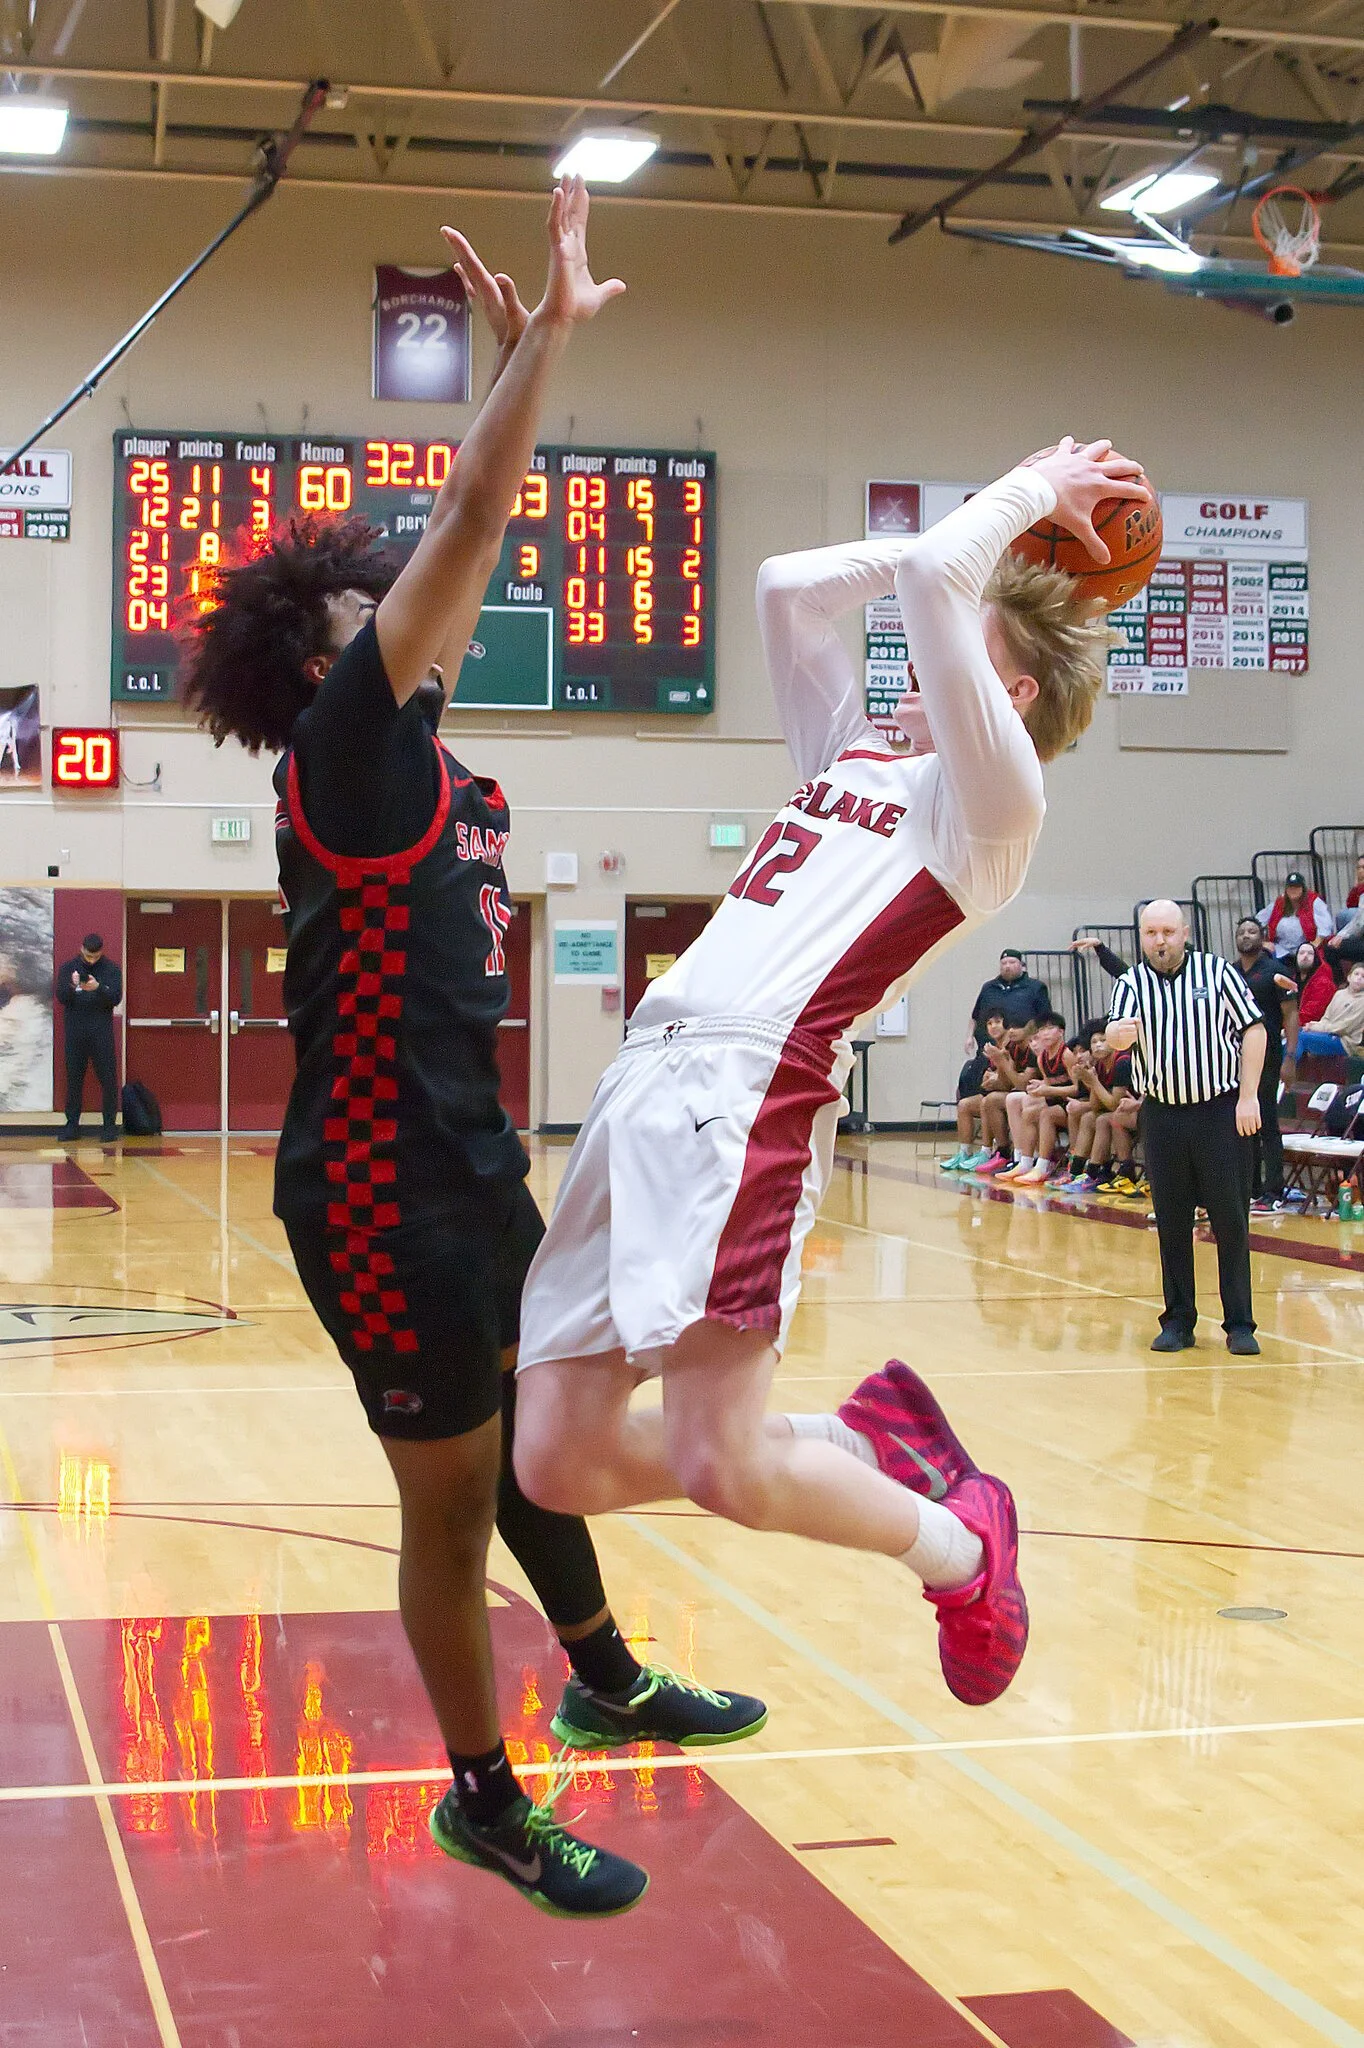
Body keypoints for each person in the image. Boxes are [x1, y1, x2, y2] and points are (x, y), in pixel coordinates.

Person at [184, 181, 763, 1922]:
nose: (414, 596)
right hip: (377, 1199)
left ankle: (598, 1667)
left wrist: (519, 363)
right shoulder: (346, 754)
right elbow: (474, 511)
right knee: (448, 1513)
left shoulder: (433, 764)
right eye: (373, 597)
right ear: (323, 648)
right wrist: (545, 354)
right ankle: (485, 1800)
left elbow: (475, 536)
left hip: (465, 1172)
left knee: (538, 1446)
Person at [512, 436, 1151, 1718]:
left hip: (752, 1086)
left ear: (1006, 696)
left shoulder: (989, 808)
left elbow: (925, 573)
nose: (915, 664)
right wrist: (994, 554)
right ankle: (873, 1445)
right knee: (556, 1459)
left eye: (953, 650)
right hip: (646, 1073)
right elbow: (783, 588)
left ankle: (965, 1550)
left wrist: (1022, 498)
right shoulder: (852, 761)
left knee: (720, 1464)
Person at [1106, 901, 1265, 1356]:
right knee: (1171, 1222)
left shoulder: (1216, 973)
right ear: (1141, 936)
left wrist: (1248, 1096)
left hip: (1218, 1111)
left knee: (1230, 1221)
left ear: (1184, 932)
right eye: (1151, 932)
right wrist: (1118, 1037)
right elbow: (1118, 1032)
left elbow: (1254, 1029)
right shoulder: (1130, 983)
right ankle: (1178, 1321)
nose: (1160, 941)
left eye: (1168, 932)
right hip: (1162, 1114)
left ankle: (1239, 1324)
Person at [1233, 914, 1298, 1214]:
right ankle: (1252, 1188)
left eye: (1252, 931)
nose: (1246, 936)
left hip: (1269, 1056)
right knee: (1244, 1125)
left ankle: (1275, 1191)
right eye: (1242, 932)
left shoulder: (1275, 971)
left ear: (1262, 937)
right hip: (1236, 1059)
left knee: (1267, 1123)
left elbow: (1292, 1016)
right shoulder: (1230, 973)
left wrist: (1291, 1056)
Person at [1051, 1023, 1134, 1191]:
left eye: (1103, 1040)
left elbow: (1113, 1104)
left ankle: (1094, 1173)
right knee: (1089, 1117)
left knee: (1103, 1119)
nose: (1098, 1045)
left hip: (1136, 1111)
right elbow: (1096, 1106)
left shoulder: (1122, 1062)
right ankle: (1076, 1171)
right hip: (1120, 1112)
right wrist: (1090, 1080)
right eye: (1094, 1042)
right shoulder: (1100, 1065)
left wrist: (1094, 1082)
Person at [995, 1010, 1075, 1184]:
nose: (1045, 1033)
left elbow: (1078, 1089)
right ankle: (1025, 1162)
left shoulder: (1067, 1055)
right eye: (1042, 1029)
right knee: (1030, 1112)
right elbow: (1049, 1087)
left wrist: (1048, 1090)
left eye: (1050, 1028)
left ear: (1061, 1032)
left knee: (1046, 1114)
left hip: (1073, 1104)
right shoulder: (1042, 1058)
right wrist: (1041, 1088)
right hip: (1057, 1102)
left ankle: (1043, 1166)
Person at [55, 932, 121, 1141]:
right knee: (74, 1080)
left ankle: (109, 1126)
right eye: (88, 955)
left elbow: (115, 998)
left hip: (101, 1033)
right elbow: (61, 997)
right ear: (81, 948)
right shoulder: (68, 968)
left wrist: (98, 988)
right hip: (75, 1033)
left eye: (96, 956)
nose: (91, 960)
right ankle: (72, 1125)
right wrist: (73, 986)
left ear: (101, 952)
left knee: (108, 1080)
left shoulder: (111, 969)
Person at [941, 1006, 1008, 1169]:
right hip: (997, 1094)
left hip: (1011, 1095)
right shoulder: (992, 1048)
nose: (993, 1026)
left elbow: (1008, 1082)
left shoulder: (1008, 1047)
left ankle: (988, 1152)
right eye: (989, 1023)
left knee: (987, 1102)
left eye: (998, 1022)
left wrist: (996, 1077)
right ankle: (964, 1152)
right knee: (964, 1104)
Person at [967, 947, 1050, 1049]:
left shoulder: (1036, 987)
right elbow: (975, 1016)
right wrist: (969, 1037)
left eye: (1012, 962)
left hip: (1022, 1049)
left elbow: (1046, 1019)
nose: (1007, 966)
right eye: (1004, 963)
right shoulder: (989, 987)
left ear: (1021, 965)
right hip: (989, 1047)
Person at [1257, 870, 1333, 958]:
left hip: (1306, 949)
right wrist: (1263, 942)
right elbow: (1258, 921)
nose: (1293, 890)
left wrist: (1313, 946)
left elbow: (1325, 927)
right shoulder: (1279, 902)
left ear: (1303, 889)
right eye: (1290, 887)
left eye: (1297, 887)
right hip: (1281, 950)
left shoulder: (1314, 901)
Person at [1297, 962, 1364, 1058]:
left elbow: (1345, 1027)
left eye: (1363, 976)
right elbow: (1326, 1017)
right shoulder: (1339, 994)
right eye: (1356, 974)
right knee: (1295, 1032)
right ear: (1349, 977)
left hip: (1344, 1041)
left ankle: (1287, 1069)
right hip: (1327, 1033)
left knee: (1301, 1037)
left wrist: (1316, 1028)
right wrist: (1314, 1025)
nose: (1359, 978)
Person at [1294, 941, 1338, 1025]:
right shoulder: (1294, 977)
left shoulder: (1323, 983)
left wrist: (1288, 1025)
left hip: (1314, 1028)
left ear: (1316, 958)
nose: (1305, 956)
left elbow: (1311, 1015)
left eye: (1310, 953)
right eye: (1301, 953)